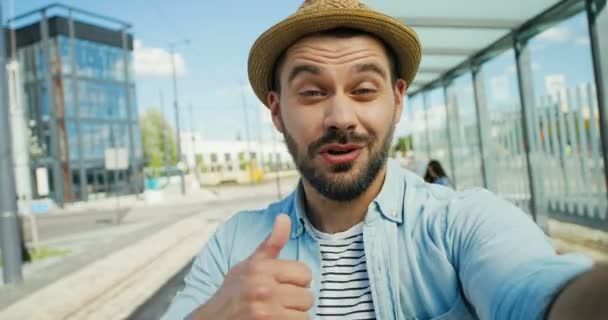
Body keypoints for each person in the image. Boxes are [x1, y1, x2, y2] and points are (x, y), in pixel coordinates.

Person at [163, 1, 607, 319]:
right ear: (277, 111)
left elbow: (532, 286)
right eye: (312, 92)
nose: (340, 118)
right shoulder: (235, 246)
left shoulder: (462, 222)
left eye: (363, 90)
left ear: (397, 101)